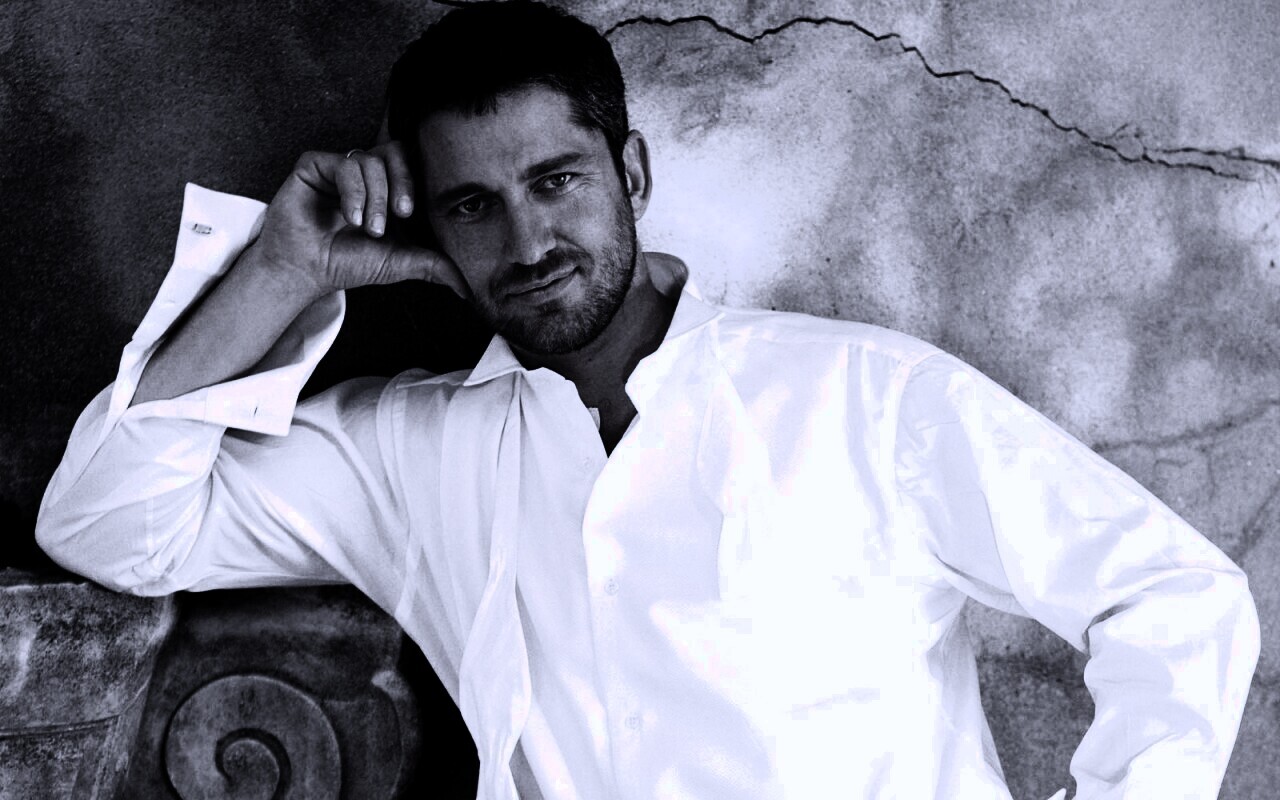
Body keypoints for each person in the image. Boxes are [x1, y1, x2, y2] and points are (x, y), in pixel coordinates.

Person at [36, 2, 1259, 798]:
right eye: (472, 206)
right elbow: (108, 525)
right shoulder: (414, 452)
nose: (528, 242)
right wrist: (284, 270)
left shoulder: (861, 397)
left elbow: (1171, 594)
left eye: (555, 180)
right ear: (427, 227)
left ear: (629, 170)